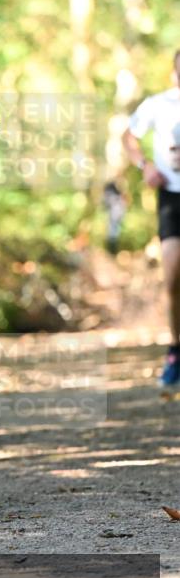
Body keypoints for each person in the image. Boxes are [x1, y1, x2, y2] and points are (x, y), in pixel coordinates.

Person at [122, 50, 180, 395]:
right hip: (172, 197)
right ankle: (176, 349)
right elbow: (129, 137)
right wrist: (145, 166)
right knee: (172, 276)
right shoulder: (158, 104)